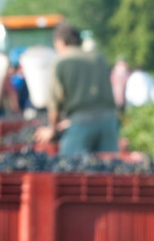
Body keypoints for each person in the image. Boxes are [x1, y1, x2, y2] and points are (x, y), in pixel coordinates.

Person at [35, 23, 119, 154]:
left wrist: (52, 128)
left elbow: (54, 103)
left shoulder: (62, 62)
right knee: (109, 168)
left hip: (81, 123)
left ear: (60, 42)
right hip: (109, 122)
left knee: (71, 166)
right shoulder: (99, 58)